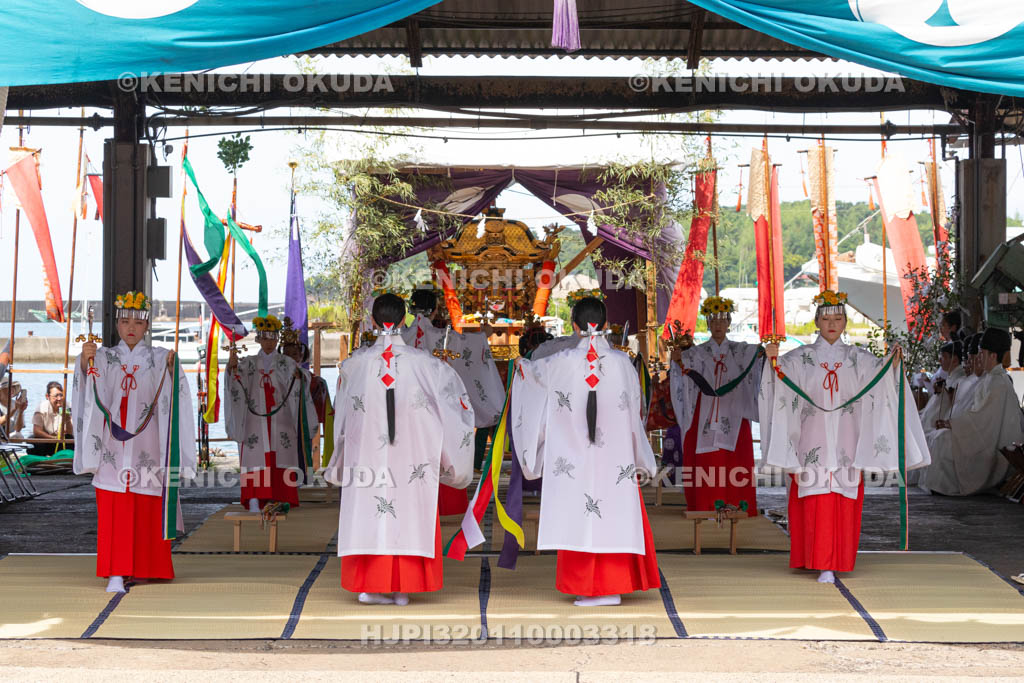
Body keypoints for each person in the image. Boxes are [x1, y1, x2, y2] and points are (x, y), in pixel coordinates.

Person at [759, 290, 929, 584]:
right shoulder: (800, 358)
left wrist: (893, 360)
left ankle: (833, 561)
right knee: (814, 496)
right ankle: (813, 558)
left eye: (838, 318)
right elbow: (779, 383)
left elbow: (881, 378)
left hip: (848, 438)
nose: (832, 324)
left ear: (845, 322)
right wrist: (773, 362)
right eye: (826, 318)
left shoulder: (858, 359)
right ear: (816, 321)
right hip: (811, 437)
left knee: (842, 497)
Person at [323, 293, 475, 606]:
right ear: (404, 320)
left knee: (370, 510)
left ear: (373, 321)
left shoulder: (353, 366)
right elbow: (455, 408)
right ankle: (403, 588)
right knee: (409, 511)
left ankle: (371, 586)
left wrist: (340, 458)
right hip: (413, 458)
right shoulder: (429, 366)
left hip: (367, 458)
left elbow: (342, 418)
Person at [511, 296, 660, 606]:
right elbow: (636, 412)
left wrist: (521, 367)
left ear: (575, 326)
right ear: (605, 325)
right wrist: (639, 455)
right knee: (614, 511)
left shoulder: (556, 363)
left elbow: (530, 380)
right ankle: (613, 586)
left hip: (572, 458)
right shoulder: (623, 364)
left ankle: (589, 588)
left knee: (577, 511)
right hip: (614, 458)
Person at [72, 290, 196, 593]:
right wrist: (84, 361)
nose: (130, 328)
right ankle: (116, 572)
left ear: (147, 326)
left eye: (137, 323)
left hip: (147, 445)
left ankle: (146, 567)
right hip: (114, 445)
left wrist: (171, 368)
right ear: (116, 324)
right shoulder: (104, 356)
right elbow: (89, 395)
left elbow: (174, 396)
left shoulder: (158, 358)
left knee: (146, 504)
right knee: (115, 506)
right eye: (124, 321)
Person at [403, 284, 504, 510]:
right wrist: (484, 335)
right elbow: (471, 346)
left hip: (404, 406)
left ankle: (410, 501)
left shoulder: (399, 337)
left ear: (410, 309)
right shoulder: (443, 337)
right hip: (435, 407)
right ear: (435, 310)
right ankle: (445, 503)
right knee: (441, 449)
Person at [669, 296, 763, 515]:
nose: (718, 325)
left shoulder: (740, 351)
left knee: (734, 461)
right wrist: (676, 360)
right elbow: (681, 372)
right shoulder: (696, 354)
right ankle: (706, 506)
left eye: (722, 320)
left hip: (733, 411)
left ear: (729, 322)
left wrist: (764, 351)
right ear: (708, 323)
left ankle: (738, 506)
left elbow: (756, 355)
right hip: (706, 413)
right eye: (714, 321)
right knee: (708, 461)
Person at [225, 313, 317, 512]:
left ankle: (281, 497)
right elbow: (236, 382)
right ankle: (255, 498)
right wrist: (232, 369)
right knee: (255, 455)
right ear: (258, 339)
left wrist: (299, 377)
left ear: (277, 339)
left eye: (272, 337)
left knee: (281, 453)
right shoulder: (249, 363)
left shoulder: (287, 363)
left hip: (281, 417)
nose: (269, 342)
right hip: (255, 419)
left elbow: (303, 380)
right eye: (265, 337)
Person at [920, 328, 1024, 496]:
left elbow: (982, 420)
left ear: (992, 355)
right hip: (981, 434)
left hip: (993, 444)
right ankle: (940, 485)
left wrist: (952, 424)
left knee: (943, 439)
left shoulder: (998, 382)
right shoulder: (990, 379)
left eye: (982, 354)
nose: (978, 358)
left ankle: (944, 486)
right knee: (939, 436)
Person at [29, 381, 73, 456]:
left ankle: (65, 460)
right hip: (47, 439)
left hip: (62, 441)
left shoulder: (68, 406)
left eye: (61, 395)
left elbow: (70, 432)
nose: (59, 399)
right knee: (33, 441)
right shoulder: (41, 407)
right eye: (56, 396)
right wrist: (53, 438)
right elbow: (37, 431)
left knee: (70, 439)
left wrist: (68, 420)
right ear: (47, 396)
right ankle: (40, 463)